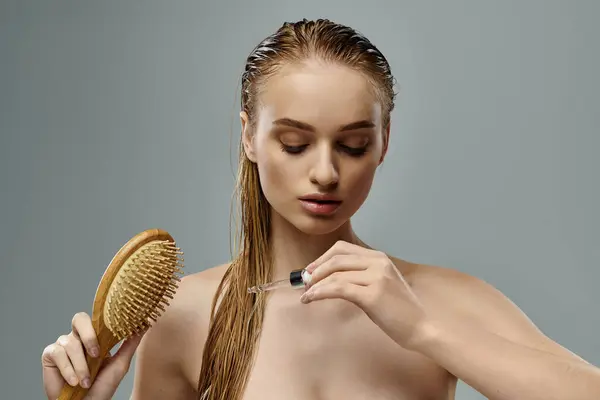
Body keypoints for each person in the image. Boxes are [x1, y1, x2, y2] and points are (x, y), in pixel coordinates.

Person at [41, 18, 600, 400]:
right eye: (294, 143)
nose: (327, 172)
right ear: (249, 138)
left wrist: (424, 329)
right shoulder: (185, 315)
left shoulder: (437, 299)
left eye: (354, 145)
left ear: (384, 141)